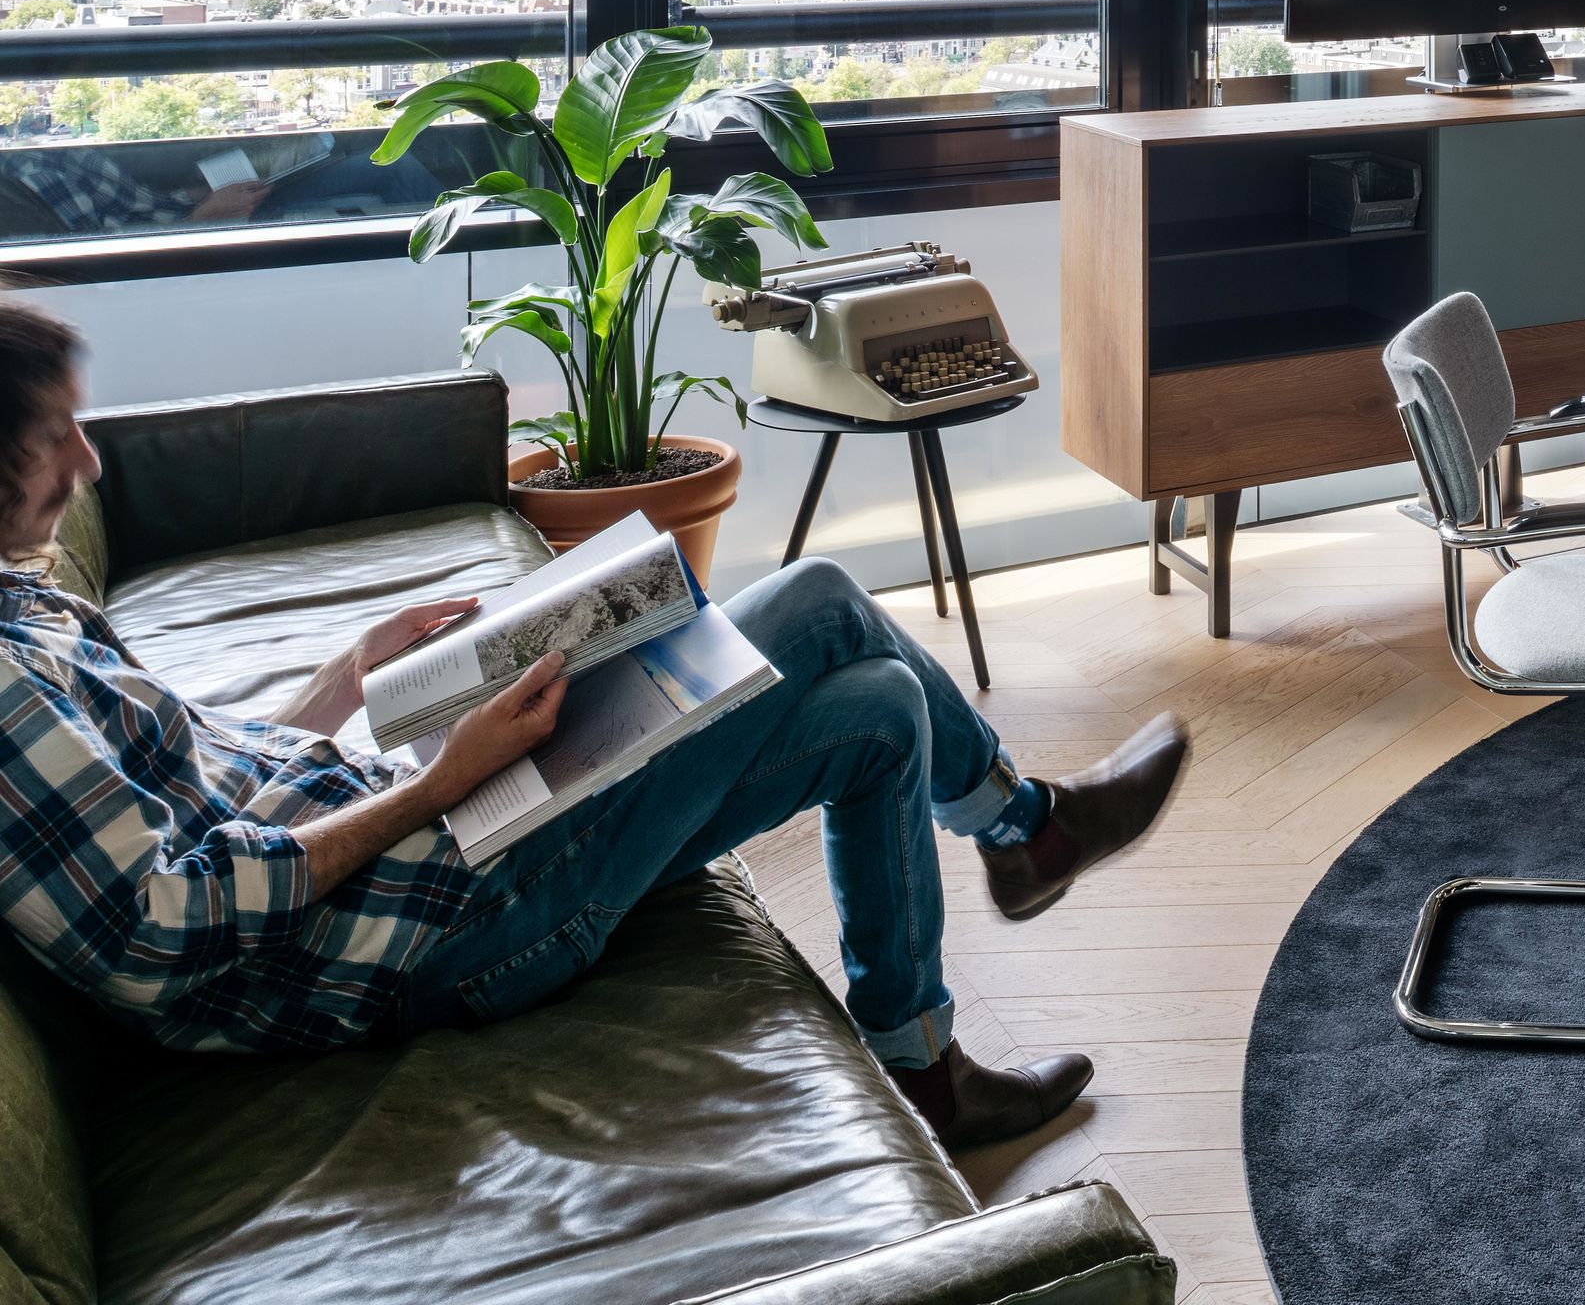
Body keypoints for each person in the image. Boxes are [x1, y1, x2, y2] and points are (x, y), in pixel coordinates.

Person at [0, 297, 1185, 1150]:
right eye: (58, 436)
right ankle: (1025, 830)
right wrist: (436, 784)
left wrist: (345, 681)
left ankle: (927, 1061)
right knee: (822, 602)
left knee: (877, 710)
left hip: (428, 859)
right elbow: (161, 928)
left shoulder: (25, 609)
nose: (92, 463)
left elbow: (204, 787)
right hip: (443, 933)